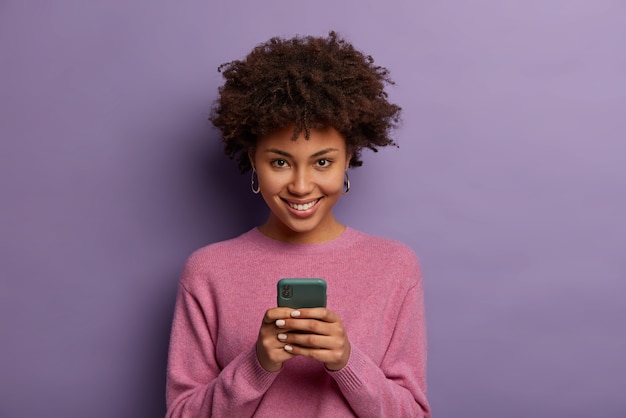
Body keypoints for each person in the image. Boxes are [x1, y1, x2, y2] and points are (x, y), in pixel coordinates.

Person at [165, 32, 431, 417]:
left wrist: (347, 362)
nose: (302, 186)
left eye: (322, 162)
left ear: (348, 159)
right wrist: (257, 364)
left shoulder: (395, 266)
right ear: (253, 159)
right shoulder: (207, 271)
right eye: (280, 162)